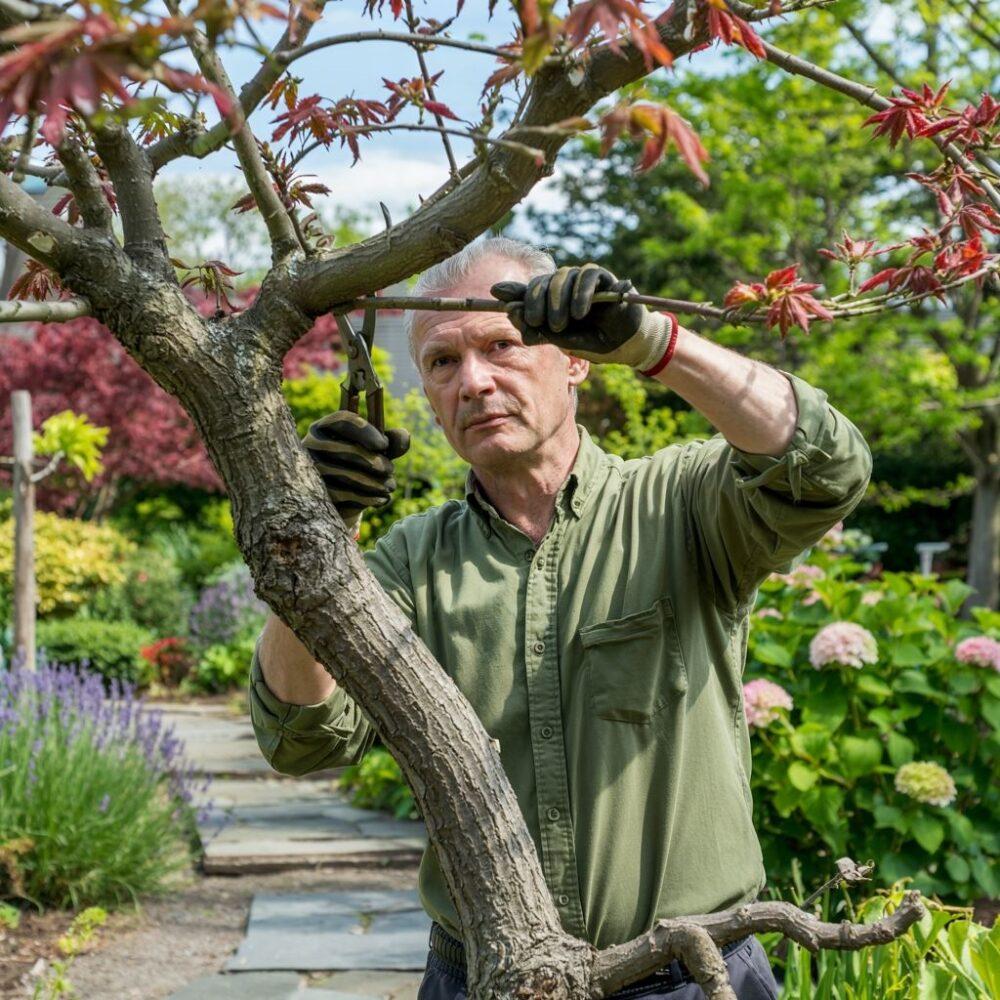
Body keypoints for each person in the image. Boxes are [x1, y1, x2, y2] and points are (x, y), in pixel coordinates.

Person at [248, 237, 873, 999]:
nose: (474, 381)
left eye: (502, 346)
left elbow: (828, 465)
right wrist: (319, 533)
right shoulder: (410, 562)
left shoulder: (681, 503)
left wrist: (652, 342)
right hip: (485, 978)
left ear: (574, 358)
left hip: (690, 978)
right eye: (442, 362)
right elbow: (303, 737)